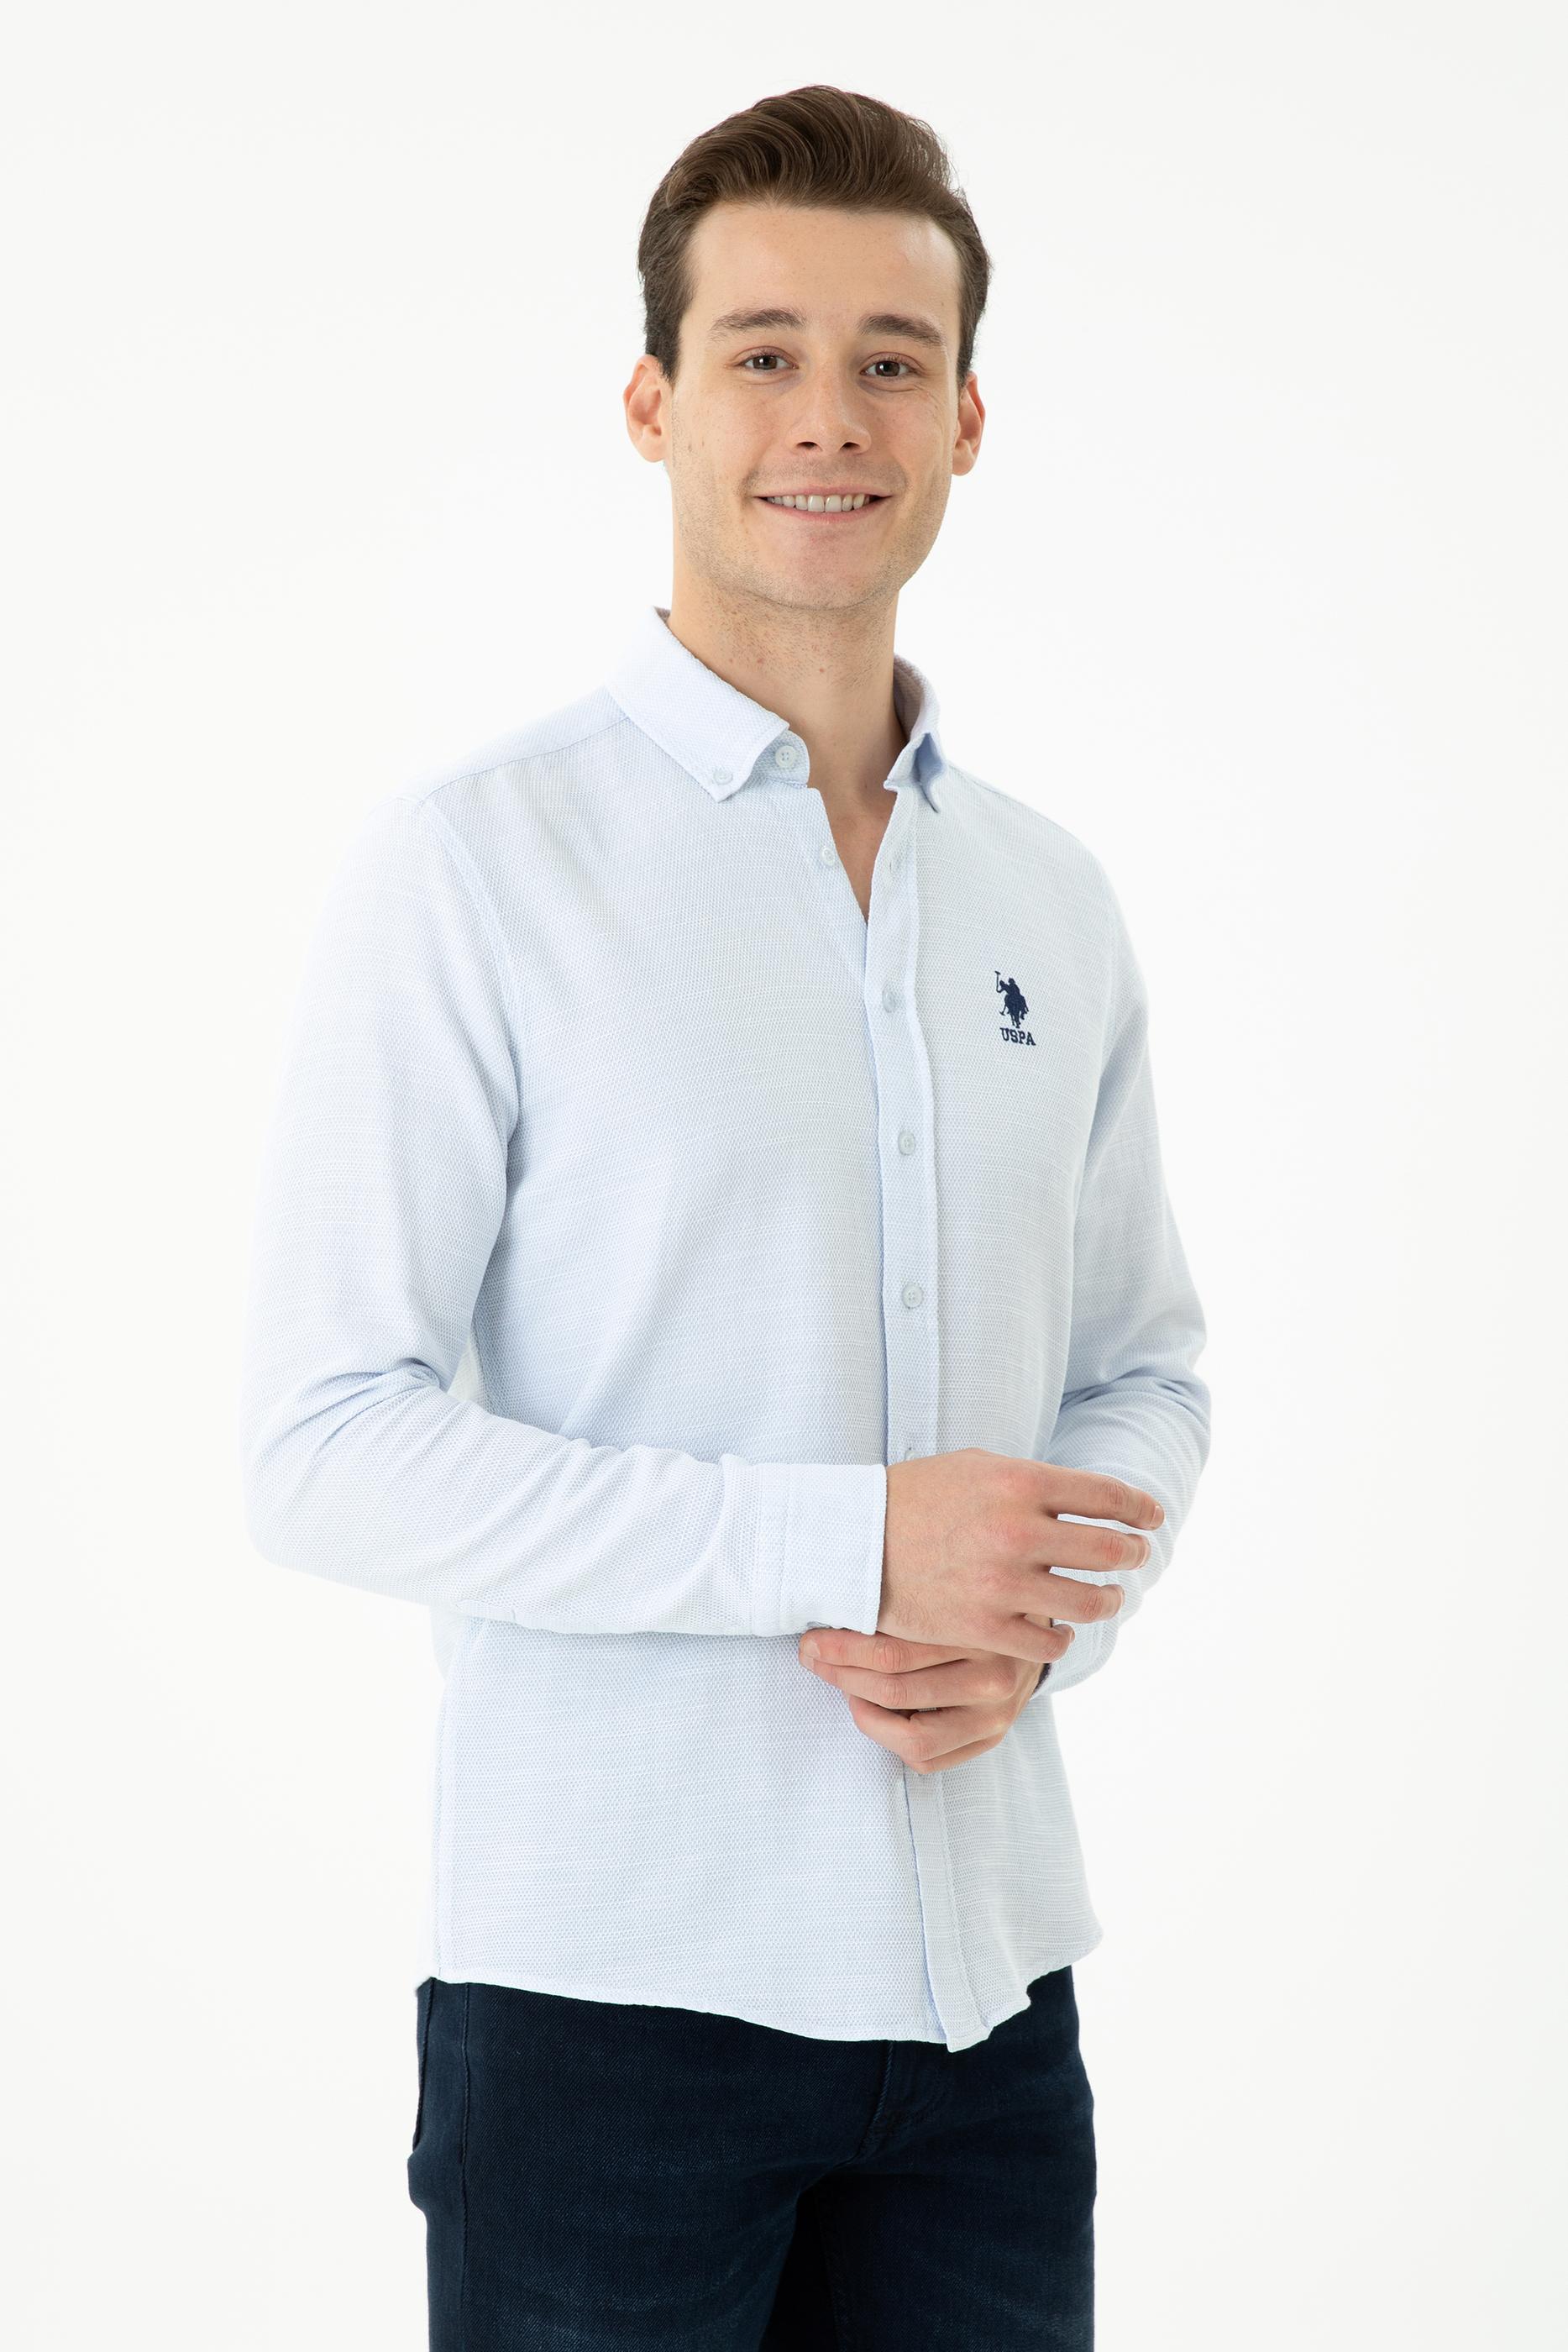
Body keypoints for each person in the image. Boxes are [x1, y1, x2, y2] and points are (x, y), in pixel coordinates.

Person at [237, 79, 1211, 2352]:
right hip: (608, 2014)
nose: (827, 415)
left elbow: (1144, 1369)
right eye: (763, 352)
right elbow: (321, 1441)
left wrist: (1035, 1622)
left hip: (990, 2016)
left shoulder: (1046, 898)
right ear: (653, 403)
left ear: (965, 422)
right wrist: (847, 1545)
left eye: (890, 358)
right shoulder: (480, 864)